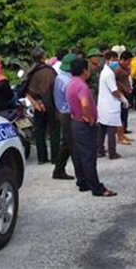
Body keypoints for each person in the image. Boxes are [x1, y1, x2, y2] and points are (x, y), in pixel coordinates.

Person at [66, 58, 117, 197]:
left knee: (79, 155)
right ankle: (97, 187)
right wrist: (89, 118)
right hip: (83, 124)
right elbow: (85, 103)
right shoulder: (82, 86)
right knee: (89, 156)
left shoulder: (71, 83)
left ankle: (83, 182)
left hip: (74, 122)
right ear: (84, 71)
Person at [25, 47, 60, 165]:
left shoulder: (30, 71)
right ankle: (55, 157)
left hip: (37, 105)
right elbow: (55, 88)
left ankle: (42, 157)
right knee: (54, 129)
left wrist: (36, 102)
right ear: (43, 57)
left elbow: (27, 90)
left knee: (39, 131)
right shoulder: (49, 71)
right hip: (51, 103)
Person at [52, 53, 77, 181]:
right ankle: (80, 172)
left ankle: (59, 169)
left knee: (66, 143)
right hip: (67, 113)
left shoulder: (59, 77)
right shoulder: (68, 81)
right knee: (71, 143)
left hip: (61, 111)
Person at [97, 51, 125, 159]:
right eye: (114, 60)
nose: (116, 62)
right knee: (111, 129)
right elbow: (114, 90)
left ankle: (100, 150)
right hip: (109, 105)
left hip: (104, 104)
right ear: (109, 60)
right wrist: (122, 99)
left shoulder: (105, 71)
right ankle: (112, 152)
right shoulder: (109, 73)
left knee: (102, 128)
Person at [116, 51, 134, 144]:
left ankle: (122, 134)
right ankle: (120, 136)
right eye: (128, 61)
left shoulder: (125, 68)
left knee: (125, 115)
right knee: (121, 116)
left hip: (127, 92)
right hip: (121, 93)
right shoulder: (117, 69)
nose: (129, 63)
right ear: (122, 60)